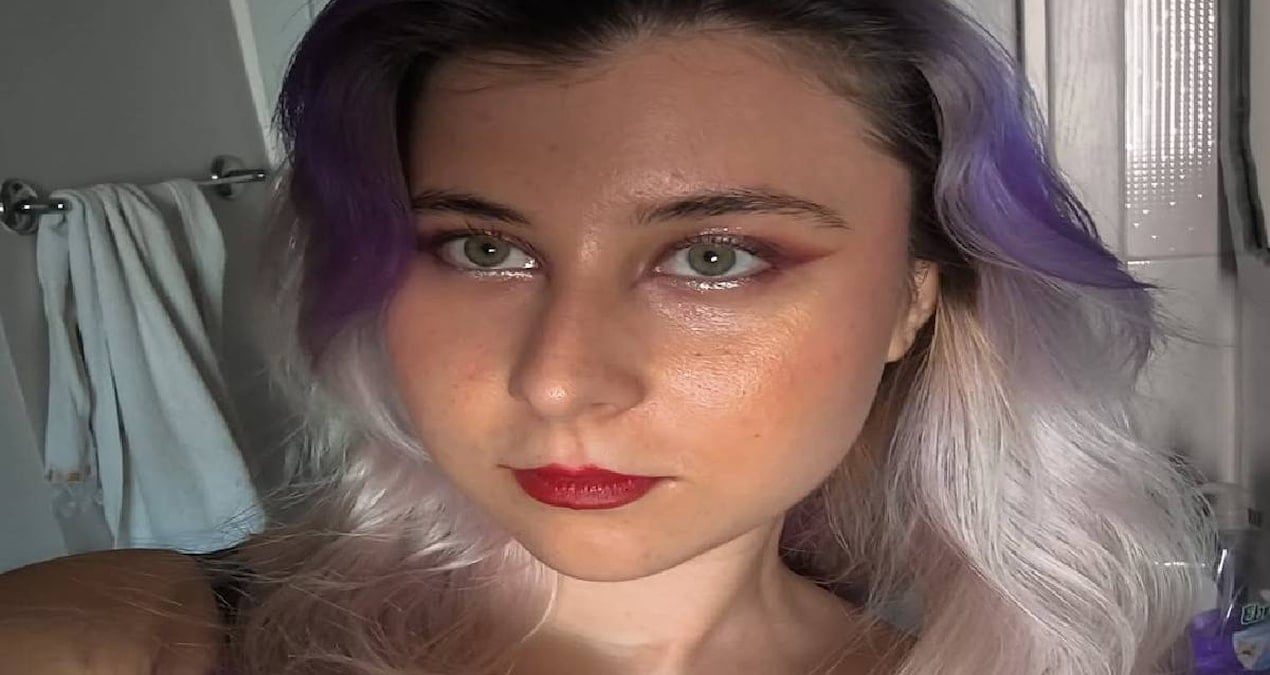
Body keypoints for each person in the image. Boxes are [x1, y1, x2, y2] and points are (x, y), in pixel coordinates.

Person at [0, 0, 1211, 673]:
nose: (559, 380)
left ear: (914, 298)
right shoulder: (139, 643)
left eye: (714, 257)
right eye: (482, 249)